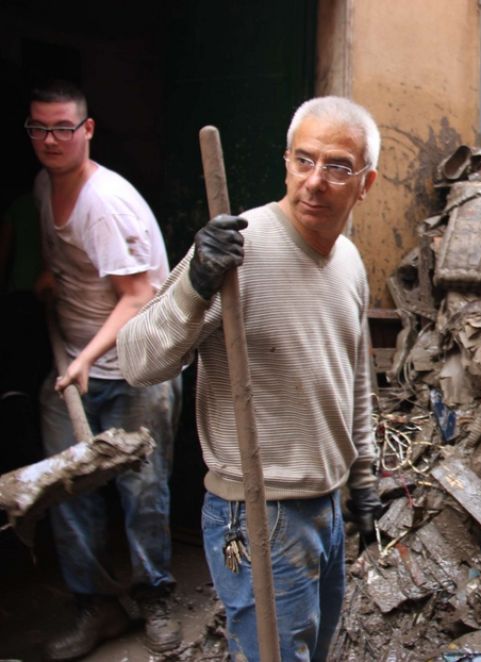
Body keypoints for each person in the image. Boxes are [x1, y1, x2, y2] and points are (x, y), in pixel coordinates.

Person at [117, 95, 383, 661]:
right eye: (303, 160)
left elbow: (355, 377)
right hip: (260, 510)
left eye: (337, 166)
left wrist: (362, 476)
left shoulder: (351, 263)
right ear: (286, 161)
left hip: (326, 505)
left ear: (366, 182)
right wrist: (195, 286)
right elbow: (138, 361)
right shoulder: (239, 250)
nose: (315, 181)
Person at [26, 80, 180, 658]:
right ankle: (95, 606)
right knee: (67, 493)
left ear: (86, 130)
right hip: (74, 368)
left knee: (143, 491)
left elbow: (138, 296)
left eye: (63, 127)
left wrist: (87, 359)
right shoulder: (46, 183)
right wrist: (52, 276)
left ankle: (156, 594)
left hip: (135, 367)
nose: (50, 139)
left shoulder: (104, 205)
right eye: (38, 127)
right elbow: (76, 263)